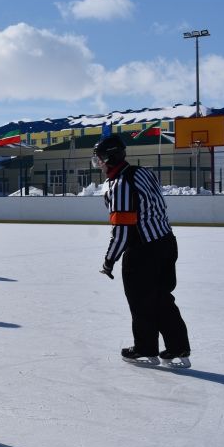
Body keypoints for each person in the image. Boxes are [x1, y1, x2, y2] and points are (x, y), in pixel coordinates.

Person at [93, 136, 192, 368]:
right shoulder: (143, 172)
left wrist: (109, 260)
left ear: (110, 157)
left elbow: (123, 230)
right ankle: (178, 347)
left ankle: (146, 348)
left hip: (143, 251)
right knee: (163, 299)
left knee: (140, 302)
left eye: (99, 158)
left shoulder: (120, 185)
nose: (97, 162)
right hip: (166, 242)